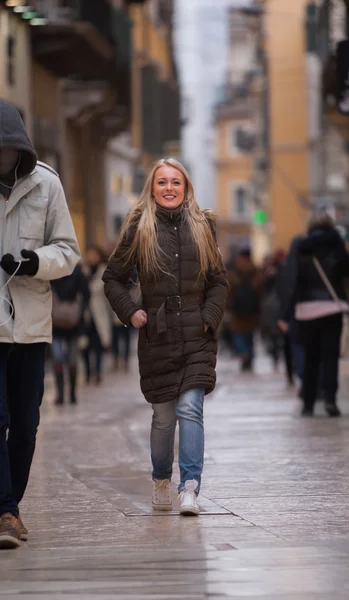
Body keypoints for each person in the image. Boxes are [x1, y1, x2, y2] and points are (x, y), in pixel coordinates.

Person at [103, 158, 228, 516]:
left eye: (176, 182)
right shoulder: (138, 228)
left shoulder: (204, 226)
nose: (169, 188)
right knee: (163, 418)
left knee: (191, 408)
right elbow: (112, 279)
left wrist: (209, 317)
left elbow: (219, 280)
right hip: (157, 337)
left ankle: (189, 486)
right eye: (162, 182)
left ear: (186, 188)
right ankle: (161, 478)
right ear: (152, 188)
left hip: (197, 334)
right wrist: (131, 311)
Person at [0, 99, 80, 549]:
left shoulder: (47, 185)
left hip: (30, 325)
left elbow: (68, 251)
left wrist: (33, 262)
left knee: (26, 423)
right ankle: (5, 512)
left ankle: (10, 506)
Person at [279, 212, 349, 417]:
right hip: (333, 308)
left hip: (306, 311)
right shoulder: (337, 245)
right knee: (330, 357)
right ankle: (330, 400)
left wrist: (286, 313)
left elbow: (292, 281)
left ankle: (308, 403)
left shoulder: (301, 246)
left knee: (311, 357)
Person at [51, 264, 90, 405]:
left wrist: (80, 310)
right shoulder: (51, 271)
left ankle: (72, 393)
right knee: (58, 358)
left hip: (73, 324)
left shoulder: (77, 273)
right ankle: (60, 394)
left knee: (72, 359)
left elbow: (87, 294)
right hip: (55, 323)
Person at [226, 247, 264, 371]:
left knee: (238, 334)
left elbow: (228, 288)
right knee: (250, 334)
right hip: (252, 308)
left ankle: (244, 353)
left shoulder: (233, 270)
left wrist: (228, 304)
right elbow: (260, 289)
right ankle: (249, 357)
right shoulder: (256, 269)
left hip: (236, 308)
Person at [82, 246, 112, 384]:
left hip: (100, 314)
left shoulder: (105, 271)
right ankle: (88, 372)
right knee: (84, 347)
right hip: (84, 314)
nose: (91, 257)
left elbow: (109, 295)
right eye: (89, 254)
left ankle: (98, 372)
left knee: (98, 346)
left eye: (94, 254)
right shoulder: (83, 271)